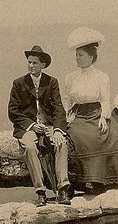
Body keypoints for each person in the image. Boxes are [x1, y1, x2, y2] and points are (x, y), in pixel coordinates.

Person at [63, 27, 118, 193]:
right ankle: (84, 180)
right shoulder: (70, 77)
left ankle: (106, 180)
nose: (77, 58)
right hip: (79, 115)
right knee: (80, 137)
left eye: (81, 55)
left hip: (96, 113)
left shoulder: (101, 76)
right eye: (76, 55)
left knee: (116, 136)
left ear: (91, 57)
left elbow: (105, 99)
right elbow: (68, 100)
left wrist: (104, 117)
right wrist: (67, 116)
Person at [8, 45, 72, 206]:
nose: (31, 66)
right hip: (28, 128)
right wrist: (31, 126)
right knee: (29, 147)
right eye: (29, 62)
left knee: (61, 143)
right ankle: (40, 191)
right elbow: (13, 112)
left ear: (42, 65)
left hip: (49, 126)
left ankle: (63, 189)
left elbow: (58, 109)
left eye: (35, 63)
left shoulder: (51, 82)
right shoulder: (19, 83)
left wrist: (57, 130)